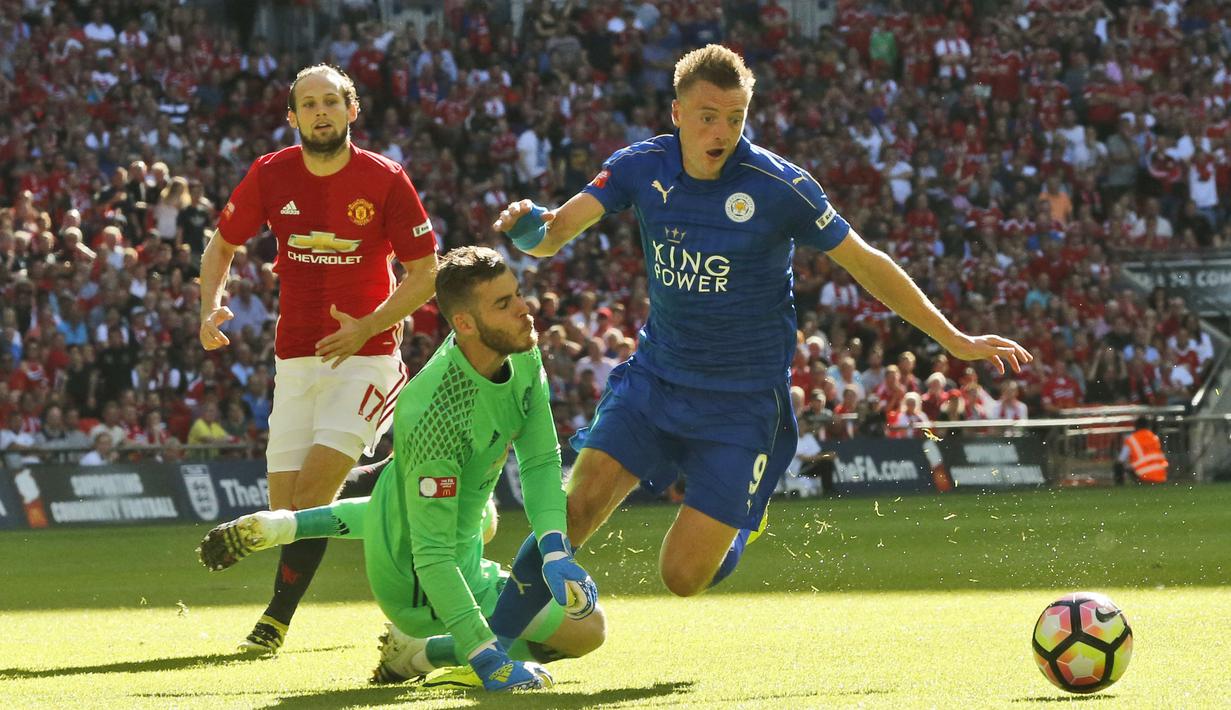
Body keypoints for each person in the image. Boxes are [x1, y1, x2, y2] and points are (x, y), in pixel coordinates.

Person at [487, 44, 1031, 642]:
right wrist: (527, 226)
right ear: (676, 113)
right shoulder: (639, 167)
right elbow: (553, 233)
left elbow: (866, 263)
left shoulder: (779, 187)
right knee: (576, 508)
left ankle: (742, 523)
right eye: (708, 116)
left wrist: (951, 338)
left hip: (743, 406)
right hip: (656, 380)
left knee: (682, 576)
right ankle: (490, 647)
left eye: (736, 117)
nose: (722, 131)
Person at [198, 247, 602, 691]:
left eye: (518, 294)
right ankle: (431, 647)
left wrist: (555, 549)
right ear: (465, 324)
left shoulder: (520, 349)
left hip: (458, 556)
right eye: (504, 304)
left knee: (583, 622)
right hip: (417, 580)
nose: (525, 310)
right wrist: (488, 660)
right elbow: (430, 557)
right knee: (567, 627)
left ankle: (417, 653)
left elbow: (541, 460)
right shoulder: (435, 410)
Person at [199, 64, 439, 655]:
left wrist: (368, 327)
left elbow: (426, 273)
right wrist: (210, 308)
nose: (321, 111)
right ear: (293, 118)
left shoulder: (384, 178)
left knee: (306, 503)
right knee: (289, 514)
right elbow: (222, 244)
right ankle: (386, 478)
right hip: (295, 360)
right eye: (308, 104)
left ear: (352, 110)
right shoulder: (271, 173)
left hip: (367, 356)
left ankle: (273, 622)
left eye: (332, 101)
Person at [1114, 416, 1168, 485]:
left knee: (1118, 465)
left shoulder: (1131, 439)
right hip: (1161, 476)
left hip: (1144, 475)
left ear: (1136, 426)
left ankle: (1120, 487)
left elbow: (1121, 460)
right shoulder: (1154, 437)